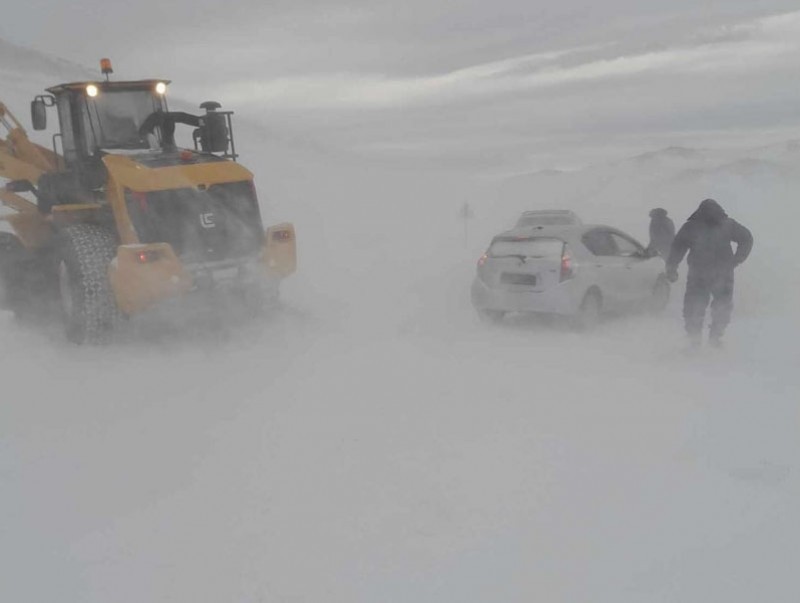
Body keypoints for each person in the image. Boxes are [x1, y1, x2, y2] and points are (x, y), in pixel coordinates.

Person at [665, 199, 753, 348]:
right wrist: (737, 259)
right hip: (723, 273)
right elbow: (747, 238)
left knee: (694, 306)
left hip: (698, 273)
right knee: (722, 305)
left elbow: (677, 248)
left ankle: (694, 339)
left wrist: (672, 267)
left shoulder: (691, 226)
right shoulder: (728, 224)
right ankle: (715, 338)